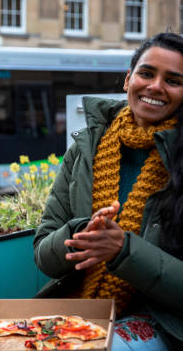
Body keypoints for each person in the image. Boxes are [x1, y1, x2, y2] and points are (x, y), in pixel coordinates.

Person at [34, 32, 183, 350]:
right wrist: (80, 234)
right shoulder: (85, 148)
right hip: (82, 308)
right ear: (128, 79)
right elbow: (44, 256)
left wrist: (123, 251)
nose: (155, 86)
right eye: (146, 73)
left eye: (173, 80)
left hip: (164, 322)